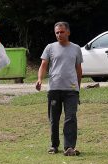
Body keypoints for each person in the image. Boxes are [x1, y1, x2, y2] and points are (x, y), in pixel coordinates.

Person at [36, 22, 83, 156]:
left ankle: (69, 147)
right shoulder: (50, 48)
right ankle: (54, 145)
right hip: (54, 89)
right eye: (57, 32)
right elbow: (43, 65)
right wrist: (40, 79)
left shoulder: (76, 48)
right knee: (54, 118)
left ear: (68, 32)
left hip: (71, 90)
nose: (59, 35)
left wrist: (78, 87)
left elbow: (78, 69)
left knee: (70, 118)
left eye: (62, 32)